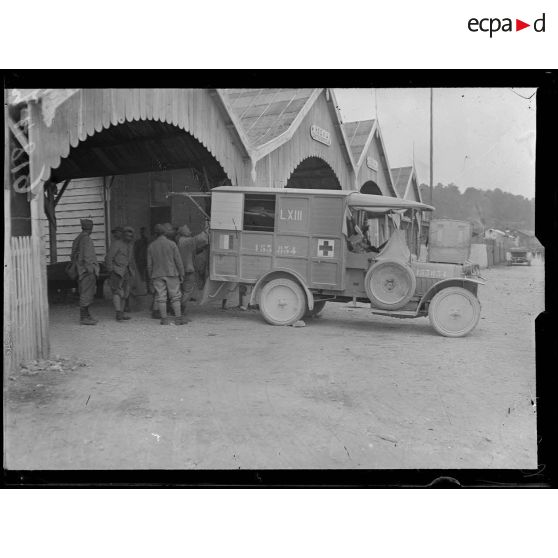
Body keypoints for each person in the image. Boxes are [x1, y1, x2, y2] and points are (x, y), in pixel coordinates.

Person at [147, 223, 185, 325]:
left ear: (155, 234)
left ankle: (164, 319)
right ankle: (178, 319)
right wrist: (181, 273)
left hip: (157, 274)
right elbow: (178, 261)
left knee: (161, 296)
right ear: (164, 232)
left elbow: (149, 265)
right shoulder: (172, 244)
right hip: (171, 273)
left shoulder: (151, 246)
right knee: (175, 296)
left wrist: (150, 276)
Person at [176, 223, 209, 319]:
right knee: (188, 290)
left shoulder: (181, 241)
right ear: (183, 232)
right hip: (187, 270)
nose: (189, 231)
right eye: (187, 229)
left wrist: (202, 248)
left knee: (180, 290)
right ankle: (180, 309)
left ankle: (178, 308)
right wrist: (206, 230)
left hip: (181, 269)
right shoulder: (184, 241)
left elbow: (193, 250)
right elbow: (198, 239)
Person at [71, 218, 100, 325]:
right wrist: (91, 270)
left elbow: (72, 255)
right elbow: (87, 257)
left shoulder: (78, 238)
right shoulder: (87, 239)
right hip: (86, 271)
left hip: (80, 270)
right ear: (90, 228)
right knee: (87, 294)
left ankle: (87, 315)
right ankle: (84, 317)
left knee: (84, 292)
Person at [106, 225, 136, 321]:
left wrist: (132, 271)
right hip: (117, 271)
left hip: (126, 271)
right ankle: (118, 312)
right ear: (123, 235)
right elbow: (109, 257)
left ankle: (122, 313)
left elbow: (131, 260)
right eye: (127, 235)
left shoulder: (130, 246)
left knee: (125, 293)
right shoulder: (116, 244)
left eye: (131, 236)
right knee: (117, 291)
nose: (129, 237)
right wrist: (111, 270)